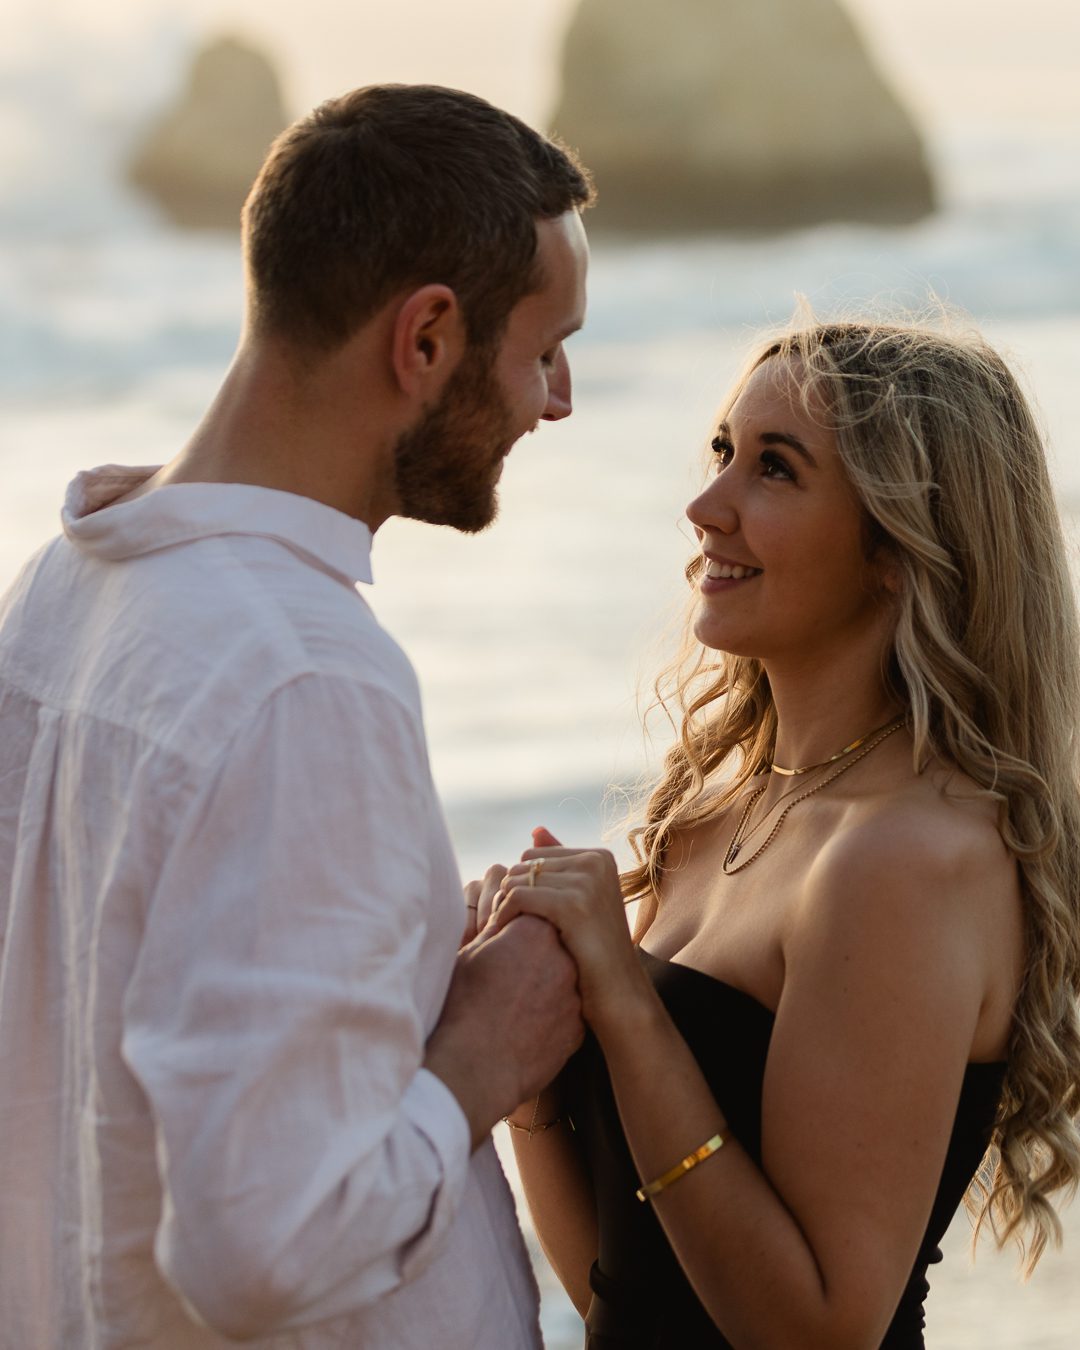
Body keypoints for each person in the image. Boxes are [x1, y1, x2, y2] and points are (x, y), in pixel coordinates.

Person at [0, 84, 593, 1348]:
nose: (560, 399)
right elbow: (265, 1250)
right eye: (544, 348)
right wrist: (487, 1052)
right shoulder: (301, 680)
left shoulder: (58, 599)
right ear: (425, 338)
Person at [475, 318, 1080, 1347]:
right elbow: (619, 1290)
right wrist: (529, 1069)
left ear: (896, 548)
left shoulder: (906, 861)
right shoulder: (717, 810)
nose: (706, 507)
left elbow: (819, 1333)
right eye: (722, 454)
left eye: (774, 470)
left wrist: (622, 1000)